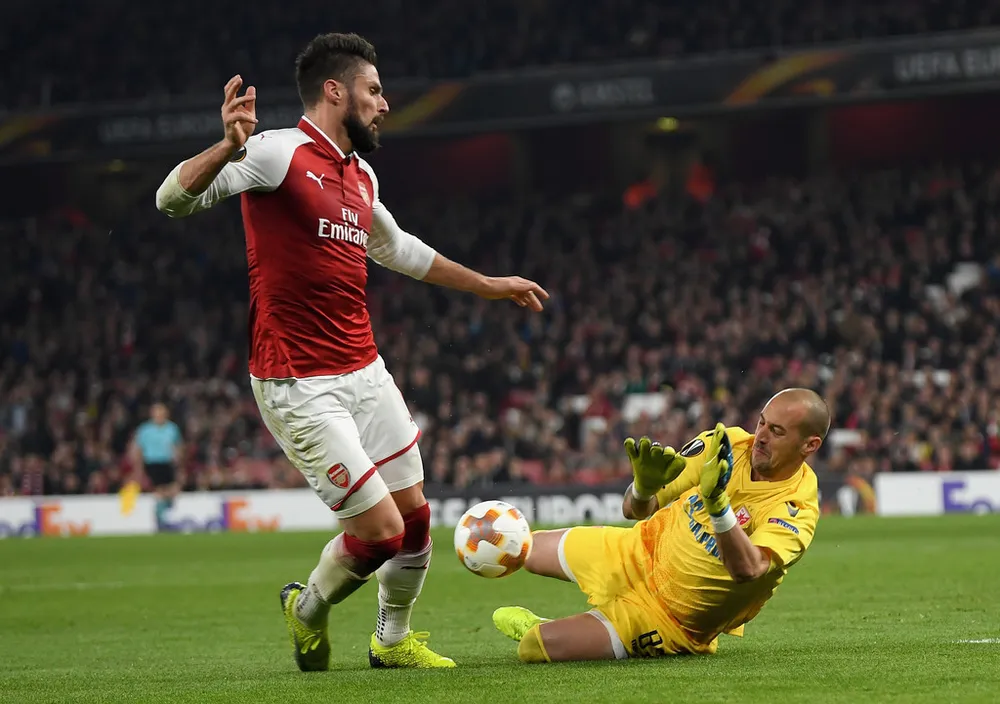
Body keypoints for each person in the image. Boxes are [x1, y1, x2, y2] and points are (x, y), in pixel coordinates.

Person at [154, 32, 548, 671]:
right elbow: (170, 199)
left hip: (365, 371)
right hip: (297, 383)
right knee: (382, 533)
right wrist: (227, 146)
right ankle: (307, 609)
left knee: (416, 522)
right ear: (335, 91)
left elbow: (400, 250)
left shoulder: (359, 174)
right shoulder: (276, 153)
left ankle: (392, 643)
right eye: (373, 90)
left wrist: (488, 285)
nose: (384, 104)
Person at [492, 388, 828, 663]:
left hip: (669, 619)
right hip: (637, 551)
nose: (761, 437)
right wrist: (643, 487)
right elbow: (635, 510)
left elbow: (748, 569)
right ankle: (583, 629)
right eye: (762, 423)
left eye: (777, 431)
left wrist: (718, 506)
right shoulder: (726, 446)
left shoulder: (796, 505)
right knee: (523, 546)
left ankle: (555, 628)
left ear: (809, 445)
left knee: (535, 647)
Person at [129, 403, 183, 532]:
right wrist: (138, 469)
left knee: (172, 490)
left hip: (167, 463)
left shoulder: (172, 428)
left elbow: (178, 446)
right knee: (159, 491)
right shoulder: (145, 430)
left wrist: (178, 458)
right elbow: (138, 449)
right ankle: (160, 521)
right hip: (152, 463)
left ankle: (163, 515)